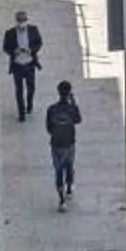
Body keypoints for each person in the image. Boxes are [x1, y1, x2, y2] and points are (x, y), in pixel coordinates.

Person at [45, 80, 83, 210]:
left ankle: (61, 200)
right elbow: (78, 119)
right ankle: (69, 188)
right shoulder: (72, 109)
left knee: (58, 169)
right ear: (69, 93)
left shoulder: (51, 109)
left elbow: (49, 128)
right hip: (69, 143)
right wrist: (73, 101)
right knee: (69, 166)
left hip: (56, 144)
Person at [2, 9, 45, 119]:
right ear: (16, 21)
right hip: (17, 65)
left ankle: (29, 105)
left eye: (23, 20)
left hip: (30, 64)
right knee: (19, 90)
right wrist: (13, 51)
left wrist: (31, 50)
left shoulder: (33, 30)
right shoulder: (10, 33)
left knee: (31, 88)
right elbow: (5, 47)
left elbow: (39, 42)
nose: (21, 22)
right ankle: (21, 113)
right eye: (19, 20)